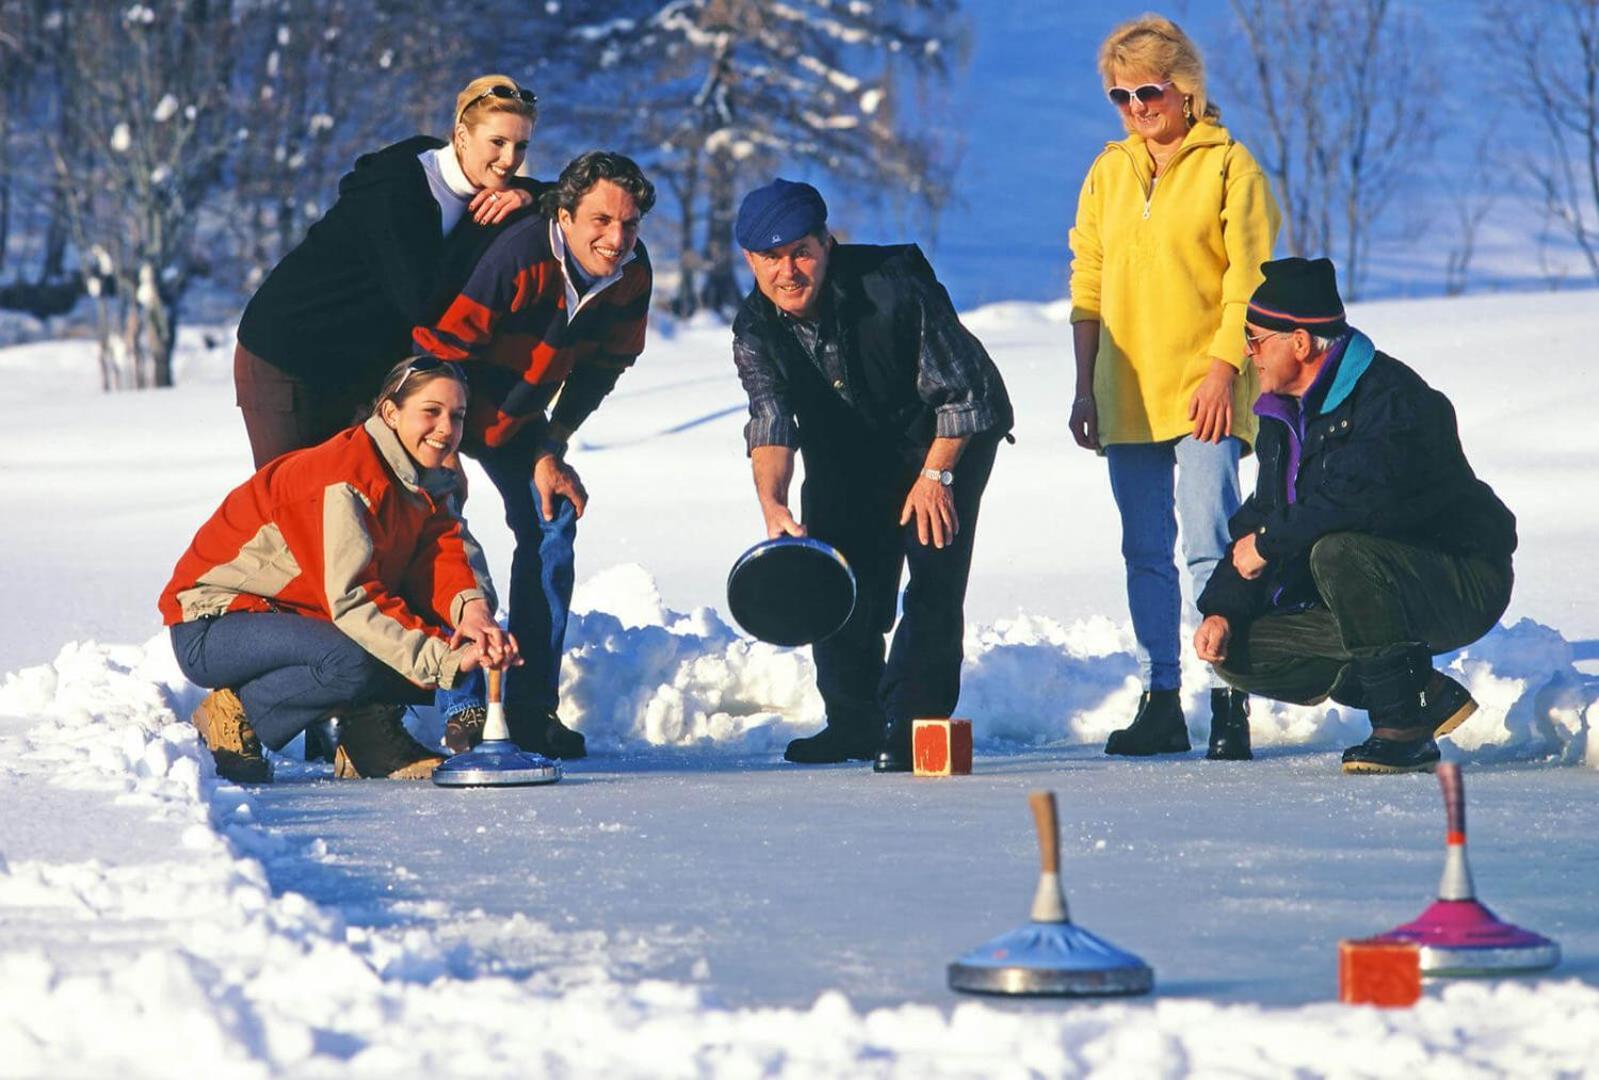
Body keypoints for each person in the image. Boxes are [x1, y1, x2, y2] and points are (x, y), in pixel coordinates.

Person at [730, 178, 1012, 773]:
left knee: (933, 571)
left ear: (827, 245)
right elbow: (771, 418)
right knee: (839, 571)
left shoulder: (893, 288)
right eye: (771, 258)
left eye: (802, 252)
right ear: (750, 261)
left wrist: (935, 476)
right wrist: (774, 504)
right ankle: (852, 721)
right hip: (850, 448)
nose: (789, 271)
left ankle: (914, 725)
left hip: (945, 434)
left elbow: (965, 396)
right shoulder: (756, 326)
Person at [1193, 257, 1517, 774]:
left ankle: (1403, 728)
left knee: (1337, 549)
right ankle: (1418, 688)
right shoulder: (1281, 414)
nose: (1248, 354)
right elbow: (1262, 516)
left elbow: (1352, 504)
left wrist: (1269, 543)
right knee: (1240, 655)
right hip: (1368, 591)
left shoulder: (1391, 400)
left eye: (1254, 339)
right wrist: (1223, 607)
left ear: (1299, 343)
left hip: (1458, 580)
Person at [1067, 14, 1281, 760]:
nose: (1135, 109)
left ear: (1185, 89)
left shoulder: (1231, 167)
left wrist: (1226, 371)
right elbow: (1087, 283)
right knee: (1143, 550)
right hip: (1124, 389)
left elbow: (1250, 284)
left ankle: (1229, 700)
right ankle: (1161, 699)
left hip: (1205, 390)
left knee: (1209, 545)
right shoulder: (1107, 172)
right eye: (1119, 97)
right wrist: (1083, 385)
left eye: (1147, 92)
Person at [161, 358, 518, 783]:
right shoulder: (342, 480)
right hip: (214, 625)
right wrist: (446, 660)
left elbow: (444, 550)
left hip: (295, 614)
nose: (445, 428)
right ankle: (239, 711)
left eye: (456, 416)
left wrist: (471, 612)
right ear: (390, 412)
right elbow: (353, 600)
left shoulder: (423, 477)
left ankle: (367, 735)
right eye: (431, 411)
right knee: (352, 659)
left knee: (423, 627)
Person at [413, 151, 655, 760]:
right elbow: (442, 354)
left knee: (553, 518)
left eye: (629, 224)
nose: (616, 237)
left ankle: (528, 707)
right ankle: (464, 701)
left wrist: (551, 447)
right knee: (443, 533)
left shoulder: (630, 273)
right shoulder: (516, 257)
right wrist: (442, 456)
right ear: (565, 212)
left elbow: (605, 366)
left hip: (516, 418)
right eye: (600, 220)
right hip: (439, 404)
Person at [233, 74, 542, 470]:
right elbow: (422, 302)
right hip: (288, 353)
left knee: (374, 498)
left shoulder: (484, 188)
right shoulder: (397, 188)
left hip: (357, 363)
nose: (508, 161)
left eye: (521, 146)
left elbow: (565, 198)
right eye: (497, 143)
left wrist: (530, 194)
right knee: (296, 502)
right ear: (461, 135)